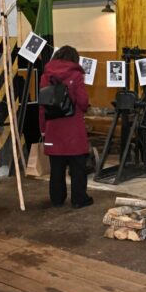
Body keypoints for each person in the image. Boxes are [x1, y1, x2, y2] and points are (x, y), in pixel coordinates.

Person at [39, 45, 94, 209]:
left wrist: (43, 129)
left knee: (56, 168)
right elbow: (83, 102)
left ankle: (57, 199)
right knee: (78, 167)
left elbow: (42, 107)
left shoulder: (45, 76)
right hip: (73, 129)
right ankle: (79, 199)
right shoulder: (76, 75)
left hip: (53, 129)